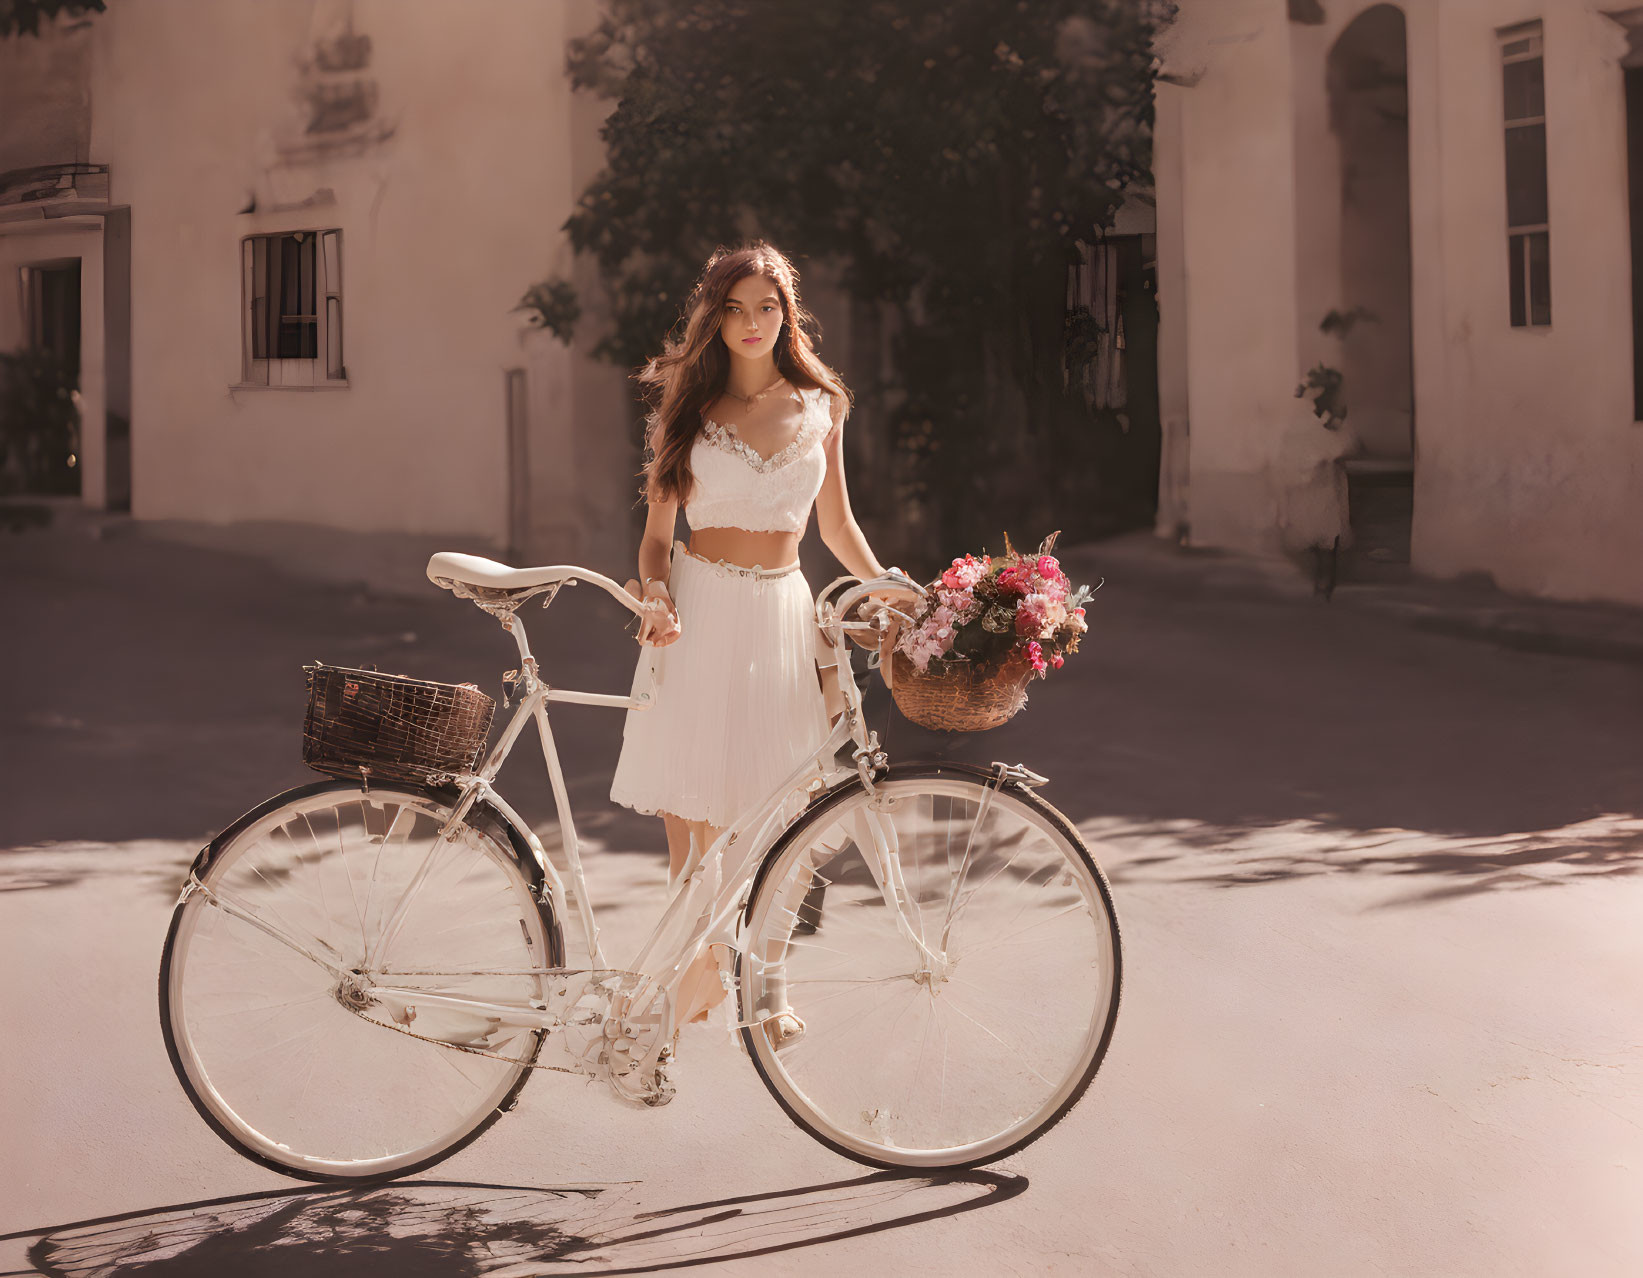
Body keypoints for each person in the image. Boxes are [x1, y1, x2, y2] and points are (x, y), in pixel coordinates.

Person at [607, 240, 913, 1051]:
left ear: (788, 314)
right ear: (715, 316)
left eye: (767, 307)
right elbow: (653, 543)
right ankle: (690, 981)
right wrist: (656, 594)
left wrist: (887, 587)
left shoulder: (821, 404)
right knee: (696, 828)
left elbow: (838, 526)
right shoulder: (686, 404)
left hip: (783, 616)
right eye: (736, 308)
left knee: (782, 813)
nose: (752, 324)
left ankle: (764, 985)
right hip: (697, 614)